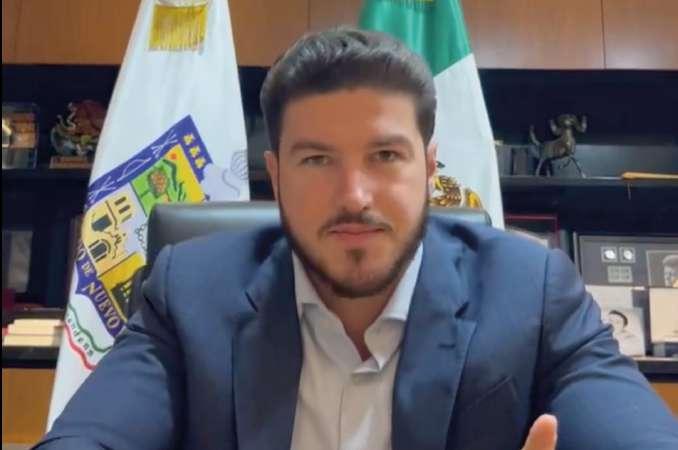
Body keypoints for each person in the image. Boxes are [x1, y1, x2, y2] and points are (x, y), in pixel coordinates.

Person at [35, 28, 678, 450]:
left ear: (430, 169)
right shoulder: (189, 293)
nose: (354, 196)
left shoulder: (530, 292)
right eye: (316, 159)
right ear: (276, 176)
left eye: (385, 156)